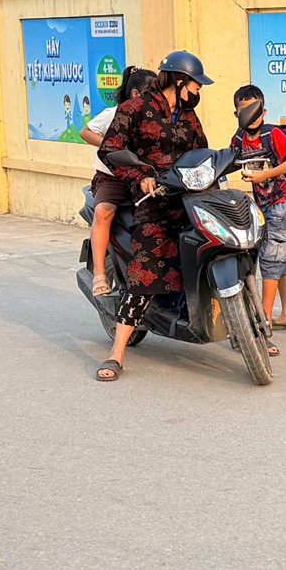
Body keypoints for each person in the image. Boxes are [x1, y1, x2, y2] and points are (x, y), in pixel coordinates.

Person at [94, 51, 213, 381]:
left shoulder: (188, 117)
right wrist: (139, 175)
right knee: (146, 268)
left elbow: (201, 150)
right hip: (153, 200)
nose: (199, 91)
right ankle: (117, 352)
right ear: (179, 81)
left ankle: (250, 328)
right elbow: (109, 148)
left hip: (190, 197)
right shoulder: (134, 108)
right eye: (196, 84)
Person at [230, 85, 286, 355]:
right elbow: (227, 162)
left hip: (283, 203)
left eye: (256, 110)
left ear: (264, 111)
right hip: (261, 205)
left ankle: (263, 324)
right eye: (245, 110)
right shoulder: (238, 139)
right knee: (281, 259)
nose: (253, 116)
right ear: (237, 112)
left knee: (272, 259)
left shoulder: (272, 133)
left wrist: (266, 174)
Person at [80, 66, 158, 297]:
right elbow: (86, 132)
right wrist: (110, 145)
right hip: (112, 179)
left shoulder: (156, 119)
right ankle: (99, 274)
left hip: (144, 179)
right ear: (136, 95)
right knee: (104, 211)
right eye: (151, 95)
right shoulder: (114, 114)